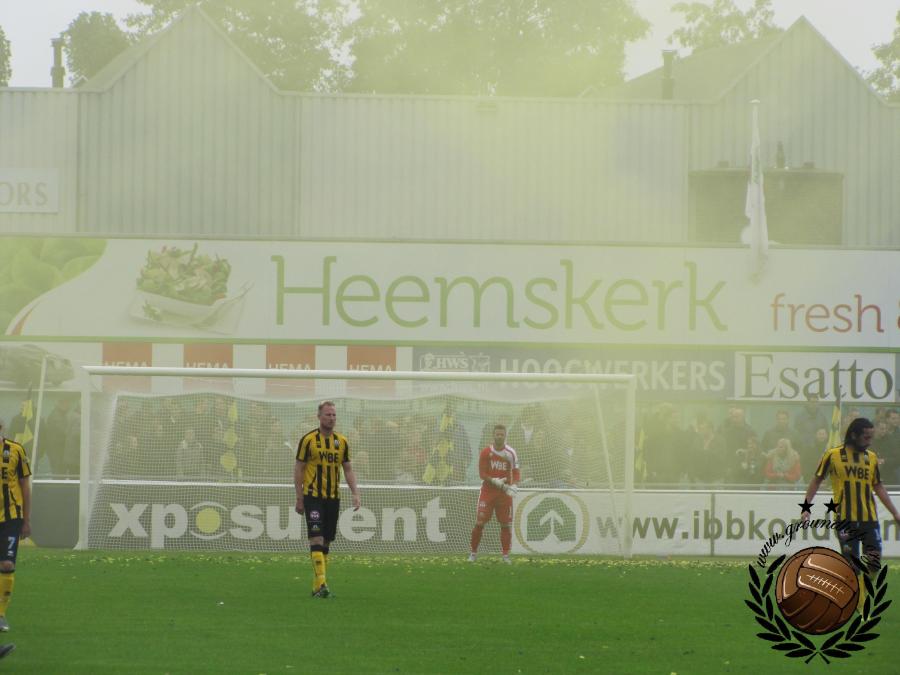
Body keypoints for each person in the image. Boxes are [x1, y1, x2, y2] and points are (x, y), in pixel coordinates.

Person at [801, 418, 900, 596]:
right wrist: (806, 507)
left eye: (871, 437)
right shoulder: (833, 455)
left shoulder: (871, 458)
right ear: (854, 435)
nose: (870, 441)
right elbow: (817, 480)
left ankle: (862, 590)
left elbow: (878, 486)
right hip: (845, 519)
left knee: (874, 563)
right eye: (866, 437)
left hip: (869, 518)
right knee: (853, 566)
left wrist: (895, 513)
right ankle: (856, 600)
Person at [294, 401, 361, 598]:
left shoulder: (342, 441)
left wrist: (355, 493)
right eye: (328, 415)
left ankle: (318, 587)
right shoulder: (308, 440)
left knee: (327, 542)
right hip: (313, 497)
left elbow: (348, 469)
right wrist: (299, 497)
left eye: (334, 415)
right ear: (319, 417)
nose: (331, 418)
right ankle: (322, 585)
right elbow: (299, 469)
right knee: (316, 538)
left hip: (333, 498)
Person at [468, 424, 519, 564]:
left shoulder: (511, 453)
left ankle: (506, 556)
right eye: (497, 434)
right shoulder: (486, 452)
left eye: (502, 434)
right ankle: (473, 553)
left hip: (504, 494)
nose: (499, 437)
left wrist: (514, 484)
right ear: (493, 435)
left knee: (505, 524)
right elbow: (482, 473)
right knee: (479, 523)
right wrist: (494, 480)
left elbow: (516, 472)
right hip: (488, 492)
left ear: (505, 436)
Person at [0, 420, 32, 631]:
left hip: (11, 517)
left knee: (7, 565)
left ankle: (0, 614)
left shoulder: (16, 450)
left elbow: (25, 486)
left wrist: (26, 520)